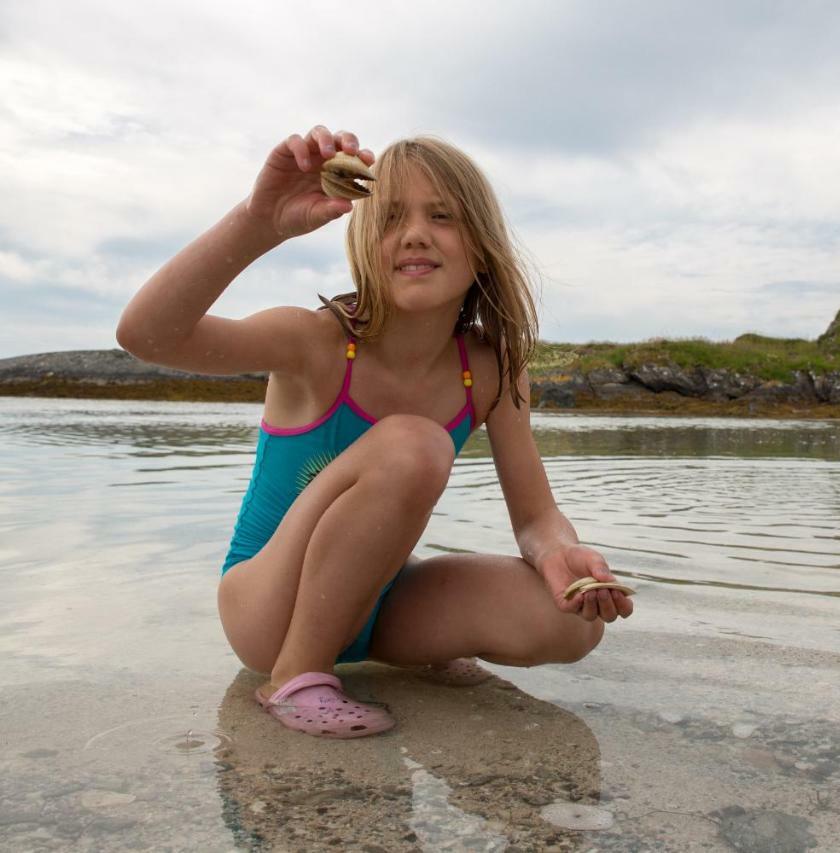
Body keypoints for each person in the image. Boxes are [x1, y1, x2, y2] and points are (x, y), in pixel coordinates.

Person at [117, 125, 633, 738]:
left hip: (379, 604)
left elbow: (535, 516)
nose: (415, 232)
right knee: (413, 442)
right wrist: (260, 220)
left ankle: (402, 654)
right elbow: (146, 335)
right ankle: (293, 677)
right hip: (268, 607)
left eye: (442, 215)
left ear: (483, 244)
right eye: (390, 217)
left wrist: (558, 555)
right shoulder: (315, 341)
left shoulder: (492, 370)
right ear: (362, 241)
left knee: (571, 625)